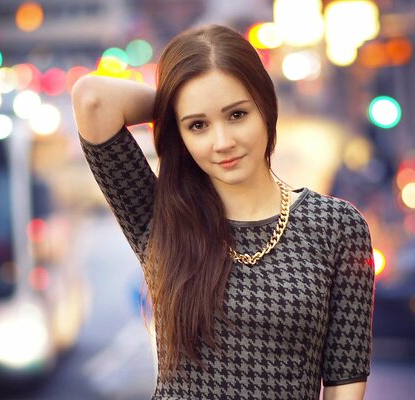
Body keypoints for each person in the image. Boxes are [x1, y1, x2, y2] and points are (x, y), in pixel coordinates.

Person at [71, 24, 375, 400]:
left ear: (265, 106)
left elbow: (345, 378)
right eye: (198, 125)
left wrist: (195, 105)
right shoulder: (158, 216)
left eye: (236, 115)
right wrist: (176, 103)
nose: (222, 142)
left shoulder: (336, 227)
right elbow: (92, 99)